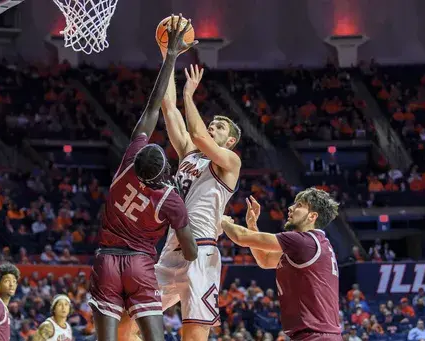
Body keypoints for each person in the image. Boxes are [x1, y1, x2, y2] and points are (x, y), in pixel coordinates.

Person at [88, 13, 198, 341]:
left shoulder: (127, 164)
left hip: (106, 262)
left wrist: (169, 57)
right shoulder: (171, 199)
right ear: (165, 170)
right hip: (139, 265)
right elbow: (190, 251)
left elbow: (151, 109)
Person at [152, 62, 241, 341]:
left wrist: (189, 96)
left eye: (220, 127)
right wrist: (170, 57)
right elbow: (168, 107)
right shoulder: (188, 154)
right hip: (170, 248)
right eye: (212, 124)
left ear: (230, 142)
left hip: (202, 249)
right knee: (131, 313)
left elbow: (199, 135)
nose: (213, 127)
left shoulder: (230, 162)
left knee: (192, 334)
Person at [221, 189, 342, 341]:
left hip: (315, 336)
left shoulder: (303, 241)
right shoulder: (313, 244)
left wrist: (220, 219)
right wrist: (252, 225)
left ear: (312, 216)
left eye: (299, 205)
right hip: (317, 335)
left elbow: (241, 237)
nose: (291, 208)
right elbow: (264, 260)